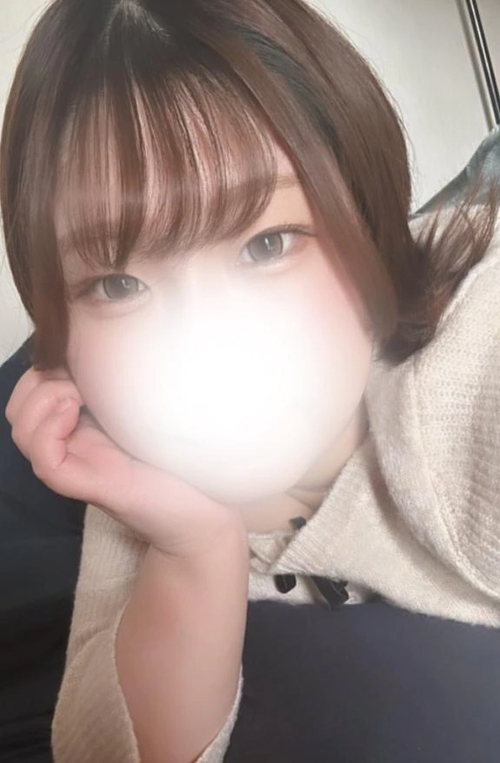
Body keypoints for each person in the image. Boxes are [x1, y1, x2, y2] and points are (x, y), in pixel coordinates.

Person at [1, 0, 499, 761]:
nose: (199, 342)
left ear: (370, 220)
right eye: (117, 285)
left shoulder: (474, 355)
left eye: (268, 244)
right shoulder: (131, 493)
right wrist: (193, 547)